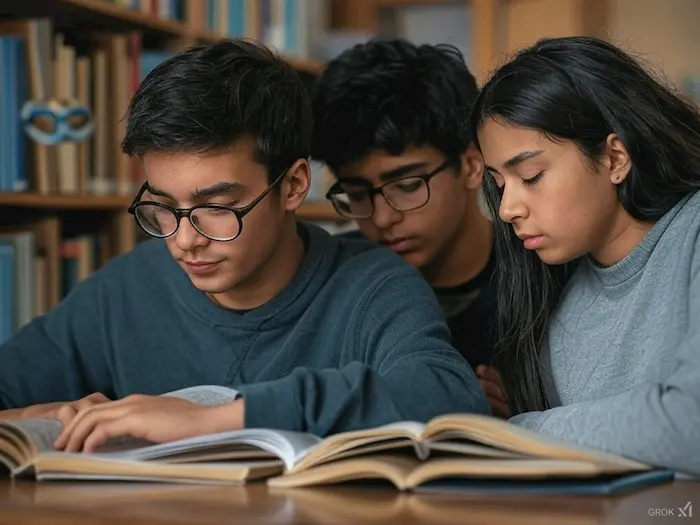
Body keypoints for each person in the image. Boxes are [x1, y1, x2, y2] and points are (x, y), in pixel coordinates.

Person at [0, 39, 490, 451]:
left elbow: (447, 394)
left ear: (295, 185)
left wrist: (215, 418)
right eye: (164, 207)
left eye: (217, 207)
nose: (185, 240)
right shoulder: (124, 288)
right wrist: (40, 415)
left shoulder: (375, 285)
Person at [471, 35, 700, 477]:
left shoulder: (691, 235)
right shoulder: (554, 290)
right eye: (500, 184)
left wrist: (517, 433)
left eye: (531, 176)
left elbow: (691, 423)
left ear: (615, 157)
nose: (506, 209)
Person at [310, 40, 506, 415]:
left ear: (470, 165)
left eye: (408, 185)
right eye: (358, 193)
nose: (383, 218)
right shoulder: (337, 281)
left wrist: (537, 414)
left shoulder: (545, 273)